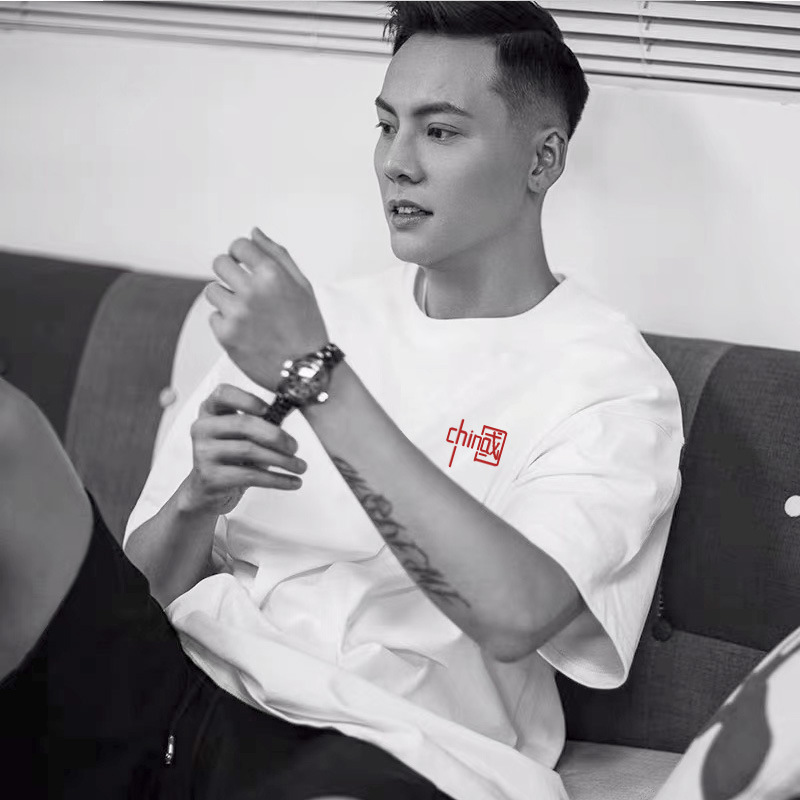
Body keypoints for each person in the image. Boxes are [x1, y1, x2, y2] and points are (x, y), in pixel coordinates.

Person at [0, 2, 684, 799]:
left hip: (377, 748)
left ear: (543, 160)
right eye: (387, 126)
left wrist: (314, 374)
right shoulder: (313, 315)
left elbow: (516, 612)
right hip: (176, 684)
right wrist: (196, 501)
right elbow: (142, 599)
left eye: (440, 131)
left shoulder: (608, 382)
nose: (397, 163)